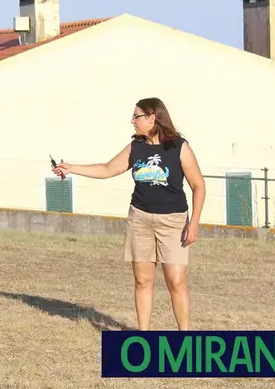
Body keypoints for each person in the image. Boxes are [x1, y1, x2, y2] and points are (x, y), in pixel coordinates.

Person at [52, 97, 206, 331]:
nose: (132, 121)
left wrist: (193, 223)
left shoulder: (179, 147)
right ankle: (143, 335)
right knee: (143, 281)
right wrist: (71, 168)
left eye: (136, 116)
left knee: (176, 281)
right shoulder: (136, 147)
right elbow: (107, 169)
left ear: (152, 118)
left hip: (173, 221)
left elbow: (199, 186)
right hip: (140, 219)